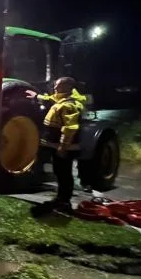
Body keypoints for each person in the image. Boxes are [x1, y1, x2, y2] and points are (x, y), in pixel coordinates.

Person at [33, 77, 86, 214]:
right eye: (55, 85)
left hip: (65, 148)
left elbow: (70, 128)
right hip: (57, 145)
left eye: (59, 86)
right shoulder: (62, 100)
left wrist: (63, 146)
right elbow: (52, 99)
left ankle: (64, 202)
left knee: (64, 174)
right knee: (59, 172)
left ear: (68, 87)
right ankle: (60, 198)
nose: (55, 88)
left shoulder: (69, 105)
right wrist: (37, 96)